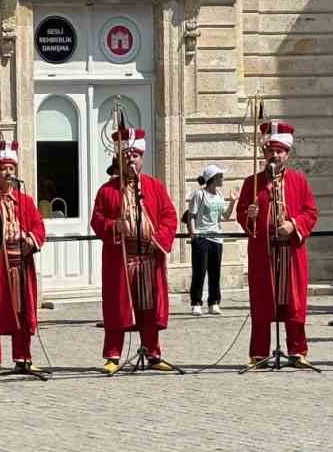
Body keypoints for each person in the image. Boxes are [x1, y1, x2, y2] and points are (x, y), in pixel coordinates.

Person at [91, 128, 179, 373]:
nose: (131, 159)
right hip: (121, 256)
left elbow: (169, 217)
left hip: (149, 254)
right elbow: (96, 221)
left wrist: (159, 238)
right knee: (118, 306)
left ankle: (152, 352)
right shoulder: (106, 191)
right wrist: (114, 225)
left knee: (148, 306)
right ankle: (113, 355)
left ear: (142, 159)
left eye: (135, 155)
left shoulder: (155, 187)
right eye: (126, 155)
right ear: (118, 159)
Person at [235, 121, 320, 368]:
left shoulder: (299, 181)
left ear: (287, 153)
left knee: (294, 303)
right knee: (262, 304)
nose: (274, 155)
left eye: (279, 151)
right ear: (264, 153)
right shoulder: (252, 183)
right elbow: (241, 214)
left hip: (291, 252)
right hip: (264, 253)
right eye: (270, 150)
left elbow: (311, 212)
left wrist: (294, 225)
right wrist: (248, 215)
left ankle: (297, 351)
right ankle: (259, 353)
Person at [0, 137, 45, 375]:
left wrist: (32, 239)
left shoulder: (25, 200)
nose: (8, 173)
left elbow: (39, 226)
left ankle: (23, 357)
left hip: (21, 263)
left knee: (24, 311)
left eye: (11, 168)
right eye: (2, 169)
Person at [183, 164, 228, 316]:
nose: (222, 178)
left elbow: (224, 217)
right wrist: (193, 234)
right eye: (220, 176)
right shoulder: (199, 194)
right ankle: (196, 302)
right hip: (202, 237)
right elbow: (191, 216)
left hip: (217, 237)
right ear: (213, 178)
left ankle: (214, 302)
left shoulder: (220, 195)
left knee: (215, 272)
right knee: (200, 271)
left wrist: (233, 202)